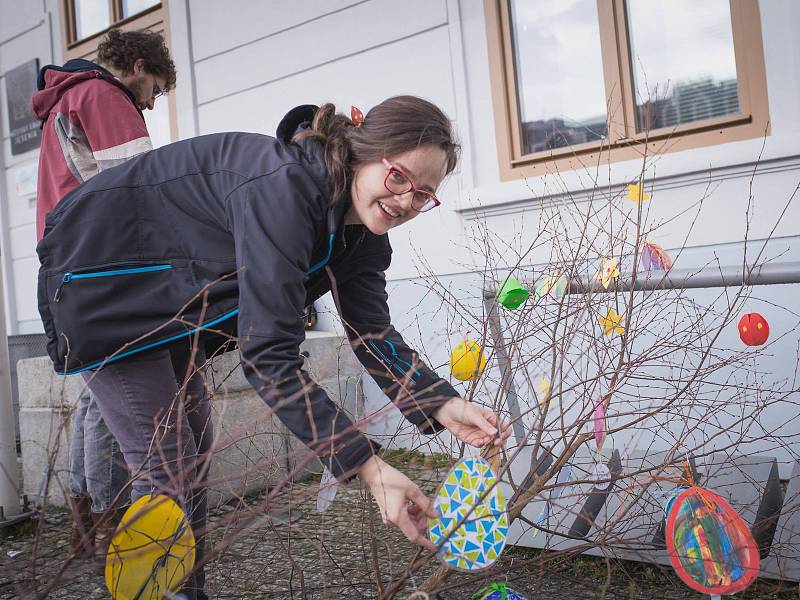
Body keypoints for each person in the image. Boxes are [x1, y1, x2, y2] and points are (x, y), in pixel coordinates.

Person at [36, 96, 508, 599]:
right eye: (399, 178)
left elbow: (372, 334)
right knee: (166, 466)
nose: (406, 202)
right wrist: (369, 468)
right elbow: (268, 356)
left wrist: (442, 401)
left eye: (423, 195)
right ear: (363, 152)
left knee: (192, 449)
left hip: (168, 303)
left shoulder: (362, 237)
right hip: (103, 288)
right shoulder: (284, 190)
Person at [30, 27, 176, 565]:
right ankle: (121, 529)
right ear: (137, 66)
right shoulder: (103, 96)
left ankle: (86, 520)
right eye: (154, 90)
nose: (151, 103)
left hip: (69, 268)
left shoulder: (64, 100)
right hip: (107, 270)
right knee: (143, 434)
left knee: (96, 401)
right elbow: (145, 192)